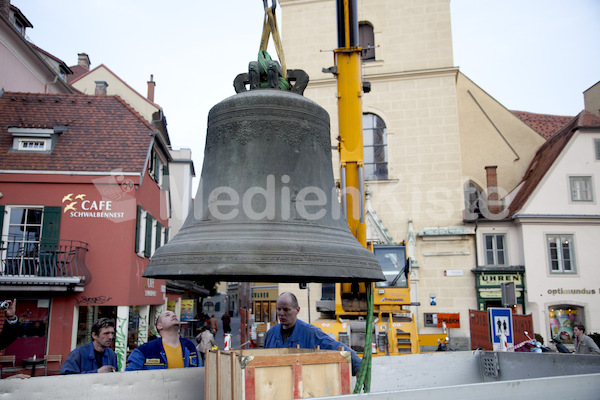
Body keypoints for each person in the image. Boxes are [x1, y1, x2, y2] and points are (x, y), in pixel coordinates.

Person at [264, 292, 362, 375]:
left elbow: (337, 347)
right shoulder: (270, 334)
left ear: (297, 310)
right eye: (278, 309)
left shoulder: (311, 333)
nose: (281, 313)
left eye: (286, 309)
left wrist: (358, 367)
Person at [126, 310, 199, 370]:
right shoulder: (144, 350)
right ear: (159, 326)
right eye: (167, 315)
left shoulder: (189, 346)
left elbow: (198, 375)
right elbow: (130, 378)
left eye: (175, 315)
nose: (174, 316)